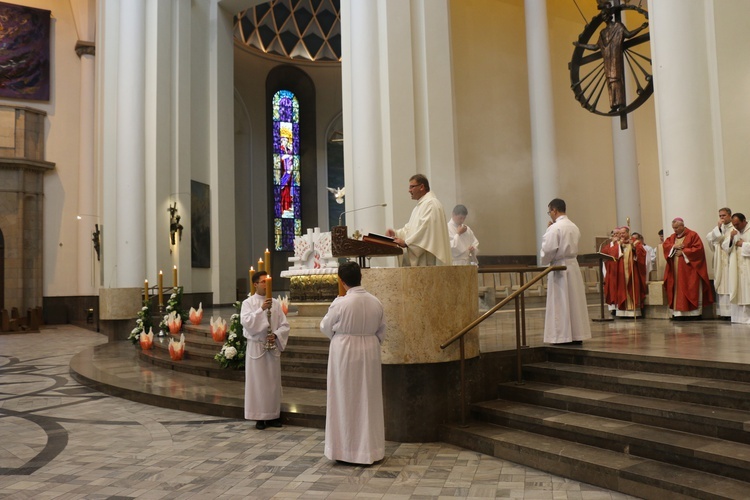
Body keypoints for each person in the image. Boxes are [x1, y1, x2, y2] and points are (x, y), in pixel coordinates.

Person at [320, 262, 386, 465]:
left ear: (341, 280)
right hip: (370, 350)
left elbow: (325, 327)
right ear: (361, 277)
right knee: (368, 398)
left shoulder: (340, 303)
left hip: (345, 352)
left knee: (345, 397)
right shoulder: (376, 301)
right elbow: (381, 331)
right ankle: (370, 450)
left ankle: (346, 450)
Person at [241, 271, 290, 429]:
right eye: (263, 281)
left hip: (272, 346)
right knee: (258, 383)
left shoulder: (275, 303)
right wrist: (261, 309)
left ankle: (273, 415)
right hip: (256, 346)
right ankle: (259, 417)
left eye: (268, 281)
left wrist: (275, 335)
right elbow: (247, 322)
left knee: (272, 383)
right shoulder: (248, 303)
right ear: (255, 284)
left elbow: (284, 325)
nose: (266, 284)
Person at [540, 198, 592, 345]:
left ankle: (561, 336)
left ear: (554, 210)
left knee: (560, 302)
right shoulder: (573, 226)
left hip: (560, 267)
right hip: (573, 266)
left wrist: (545, 258)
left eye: (549, 211)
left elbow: (548, 250)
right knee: (574, 302)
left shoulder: (555, 228)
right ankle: (577, 334)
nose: (549, 214)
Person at [575, 9, 648, 111]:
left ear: (610, 15)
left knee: (616, 79)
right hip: (608, 60)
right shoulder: (603, 32)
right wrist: (580, 45)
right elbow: (595, 47)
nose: (604, 17)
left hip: (616, 58)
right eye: (603, 15)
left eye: (605, 14)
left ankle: (621, 103)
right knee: (610, 81)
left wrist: (641, 28)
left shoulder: (618, 26)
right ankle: (614, 105)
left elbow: (628, 34)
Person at [386, 174, 451, 266]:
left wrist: (406, 243)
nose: (409, 190)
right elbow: (410, 229)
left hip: (428, 260)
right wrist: (396, 233)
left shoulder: (431, 204)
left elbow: (425, 231)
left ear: (421, 187)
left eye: (412, 187)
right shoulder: (420, 206)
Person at [663, 218, 713, 319]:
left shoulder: (692, 235)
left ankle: (694, 314)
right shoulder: (672, 237)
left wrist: (684, 252)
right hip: (676, 271)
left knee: (691, 289)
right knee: (677, 289)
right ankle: (678, 314)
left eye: (677, 227)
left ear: (682, 226)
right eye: (673, 228)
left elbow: (698, 250)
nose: (675, 230)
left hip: (690, 270)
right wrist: (674, 246)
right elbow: (666, 245)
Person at [600, 227, 647, 317]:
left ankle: (634, 311)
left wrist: (633, 247)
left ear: (628, 233)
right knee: (621, 289)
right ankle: (622, 312)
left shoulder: (636, 242)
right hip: (621, 272)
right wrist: (618, 246)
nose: (621, 235)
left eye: (623, 233)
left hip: (632, 271)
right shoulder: (618, 243)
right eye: (620, 233)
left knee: (632, 288)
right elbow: (610, 254)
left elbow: (642, 254)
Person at [722, 213, 750, 324]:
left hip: (748, 266)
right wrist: (731, 237)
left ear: (744, 221)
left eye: (737, 224)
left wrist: (744, 244)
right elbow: (725, 247)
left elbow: (742, 244)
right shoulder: (734, 231)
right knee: (739, 290)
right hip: (737, 268)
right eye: (734, 225)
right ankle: (740, 318)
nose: (736, 227)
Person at [706, 207, 734, 318]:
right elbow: (710, 239)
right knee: (722, 284)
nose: (722, 218)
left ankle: (732, 312)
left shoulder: (733, 227)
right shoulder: (719, 227)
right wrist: (718, 228)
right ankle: (724, 313)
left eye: (724, 215)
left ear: (730, 216)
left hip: (730, 260)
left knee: (731, 284)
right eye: (720, 216)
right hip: (720, 261)